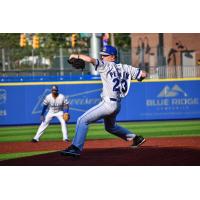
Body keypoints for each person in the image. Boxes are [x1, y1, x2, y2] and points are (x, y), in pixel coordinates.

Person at [61, 45, 147, 157]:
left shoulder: (105, 66)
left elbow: (90, 59)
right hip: (117, 104)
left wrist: (75, 55)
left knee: (82, 120)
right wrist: (139, 77)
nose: (102, 57)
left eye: (105, 55)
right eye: (101, 55)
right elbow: (144, 74)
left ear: (113, 57)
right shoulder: (126, 68)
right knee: (110, 127)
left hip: (108, 104)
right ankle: (136, 138)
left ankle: (76, 148)